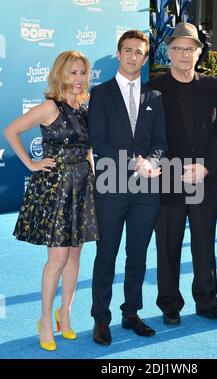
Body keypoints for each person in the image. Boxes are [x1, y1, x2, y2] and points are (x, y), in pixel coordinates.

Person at [4, 51, 98, 351]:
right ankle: (45, 319)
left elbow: (88, 150)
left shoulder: (85, 107)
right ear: (60, 75)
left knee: (74, 256)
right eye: (73, 72)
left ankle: (65, 314)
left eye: (82, 72)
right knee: (56, 259)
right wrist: (32, 165)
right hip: (57, 188)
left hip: (82, 185)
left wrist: (94, 176)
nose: (79, 78)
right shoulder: (49, 107)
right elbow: (10, 130)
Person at [88, 30, 167, 345]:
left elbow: (162, 142)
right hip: (111, 185)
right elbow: (99, 142)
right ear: (119, 53)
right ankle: (100, 319)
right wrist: (132, 162)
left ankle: (131, 312)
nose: (134, 56)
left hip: (147, 190)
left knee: (137, 254)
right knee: (106, 254)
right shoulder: (101, 93)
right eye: (128, 50)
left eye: (140, 52)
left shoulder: (155, 97)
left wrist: (152, 162)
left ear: (146, 58)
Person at [149, 22, 217, 325]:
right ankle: (170, 303)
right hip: (168, 179)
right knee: (167, 245)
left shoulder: (212, 87)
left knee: (204, 243)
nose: (184, 54)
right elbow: (149, 135)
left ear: (199, 52)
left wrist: (206, 166)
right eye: (178, 48)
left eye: (190, 48)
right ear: (168, 52)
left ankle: (207, 301)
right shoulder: (154, 87)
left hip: (203, 179)